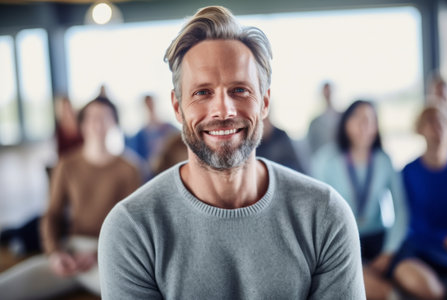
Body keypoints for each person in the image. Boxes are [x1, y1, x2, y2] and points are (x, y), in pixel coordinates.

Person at [98, 6, 365, 299]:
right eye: (202, 92)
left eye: (239, 90)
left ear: (264, 103)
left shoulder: (325, 216)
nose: (223, 110)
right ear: (177, 107)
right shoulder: (132, 229)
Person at [0, 96, 141, 299]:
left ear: (114, 123)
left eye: (104, 117)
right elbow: (52, 214)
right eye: (91, 118)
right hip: (71, 250)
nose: (97, 124)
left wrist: (96, 255)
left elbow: (132, 225)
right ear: (82, 124)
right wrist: (55, 252)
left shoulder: (130, 168)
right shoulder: (67, 165)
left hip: (110, 253)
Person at [311, 100, 407, 300]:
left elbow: (401, 209)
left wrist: (389, 252)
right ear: (346, 123)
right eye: (358, 118)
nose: (365, 125)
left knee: (426, 287)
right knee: (387, 294)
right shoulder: (326, 160)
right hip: (341, 241)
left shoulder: (384, 160)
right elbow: (317, 213)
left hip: (380, 240)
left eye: (370, 120)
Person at [389, 106, 447, 300]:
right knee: (407, 274)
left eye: (442, 121)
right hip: (421, 247)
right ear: (420, 129)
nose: (437, 127)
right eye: (430, 122)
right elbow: (410, 218)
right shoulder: (409, 171)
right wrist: (443, 238)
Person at [125, 94, 179, 180]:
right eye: (147, 106)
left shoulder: (171, 130)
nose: (150, 109)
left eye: (152, 105)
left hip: (173, 174)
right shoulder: (138, 137)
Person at [306, 81, 342, 156]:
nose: (328, 95)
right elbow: (309, 147)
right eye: (326, 93)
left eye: (330, 92)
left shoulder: (344, 119)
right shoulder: (315, 122)